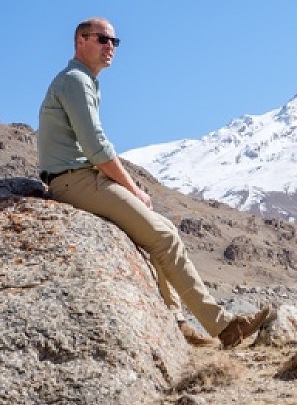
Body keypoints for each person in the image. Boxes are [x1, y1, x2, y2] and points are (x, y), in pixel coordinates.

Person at [37, 17, 273, 348]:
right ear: (80, 42)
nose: (110, 47)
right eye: (103, 39)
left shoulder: (82, 81)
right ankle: (224, 328)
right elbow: (96, 148)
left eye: (114, 42)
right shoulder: (75, 80)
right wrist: (134, 189)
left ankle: (178, 323)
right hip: (74, 180)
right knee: (162, 236)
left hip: (78, 177)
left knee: (160, 231)